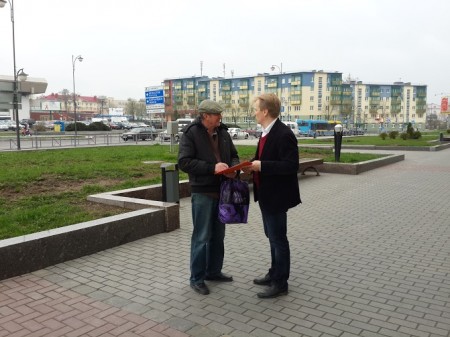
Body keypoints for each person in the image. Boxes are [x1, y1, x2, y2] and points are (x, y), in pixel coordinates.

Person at [242, 93, 301, 298]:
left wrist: (262, 166)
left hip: (277, 196)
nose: (254, 113)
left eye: (256, 109)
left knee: (278, 239)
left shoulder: (283, 133)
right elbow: (261, 158)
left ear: (265, 111)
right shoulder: (266, 132)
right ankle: (274, 272)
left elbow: (291, 165)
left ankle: (280, 283)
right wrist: (250, 165)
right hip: (266, 195)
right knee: (272, 237)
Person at [178, 99, 240, 295]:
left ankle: (213, 272)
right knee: (202, 237)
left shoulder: (222, 132)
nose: (220, 117)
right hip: (203, 193)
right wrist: (212, 168)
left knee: (218, 236)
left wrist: (234, 170)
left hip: (223, 191)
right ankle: (196, 278)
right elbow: (184, 162)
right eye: (217, 114)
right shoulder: (190, 133)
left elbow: (234, 155)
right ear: (205, 116)